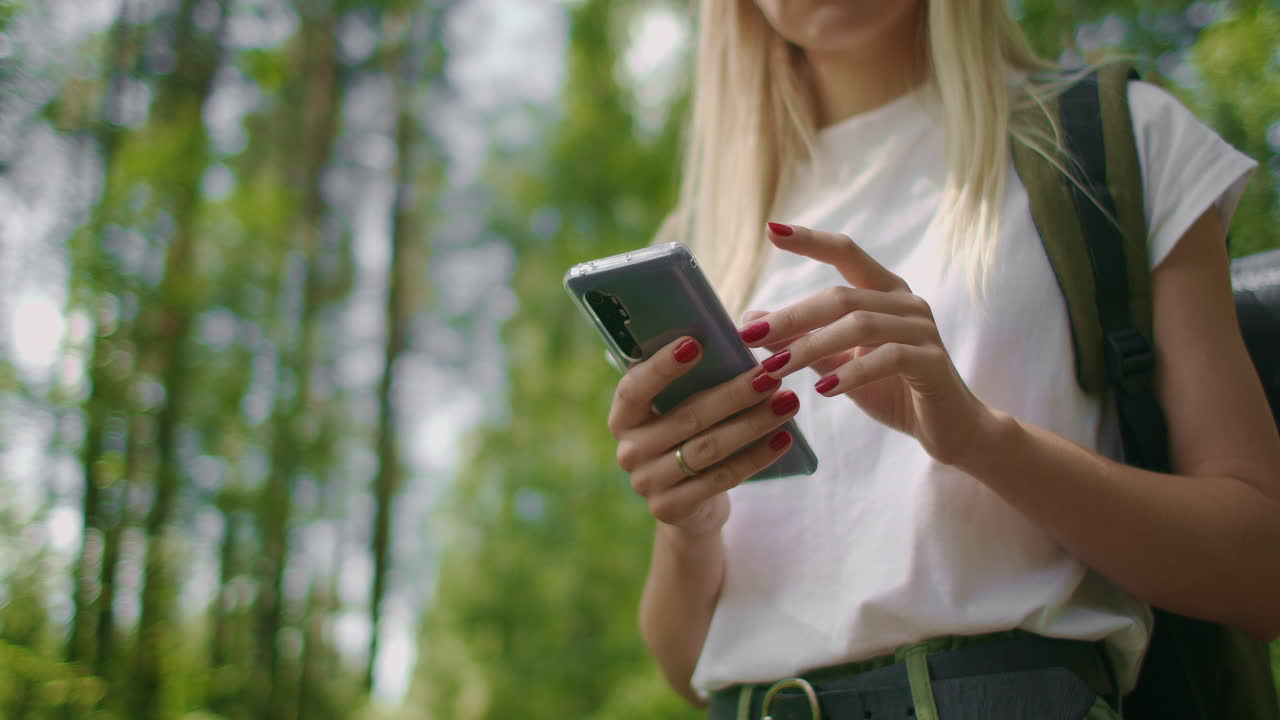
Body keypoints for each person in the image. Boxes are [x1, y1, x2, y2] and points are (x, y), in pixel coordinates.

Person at [603, 0, 1280, 718]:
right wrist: (688, 524)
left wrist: (981, 439)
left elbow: (1261, 571)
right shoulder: (706, 233)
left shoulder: (1116, 140)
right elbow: (686, 665)